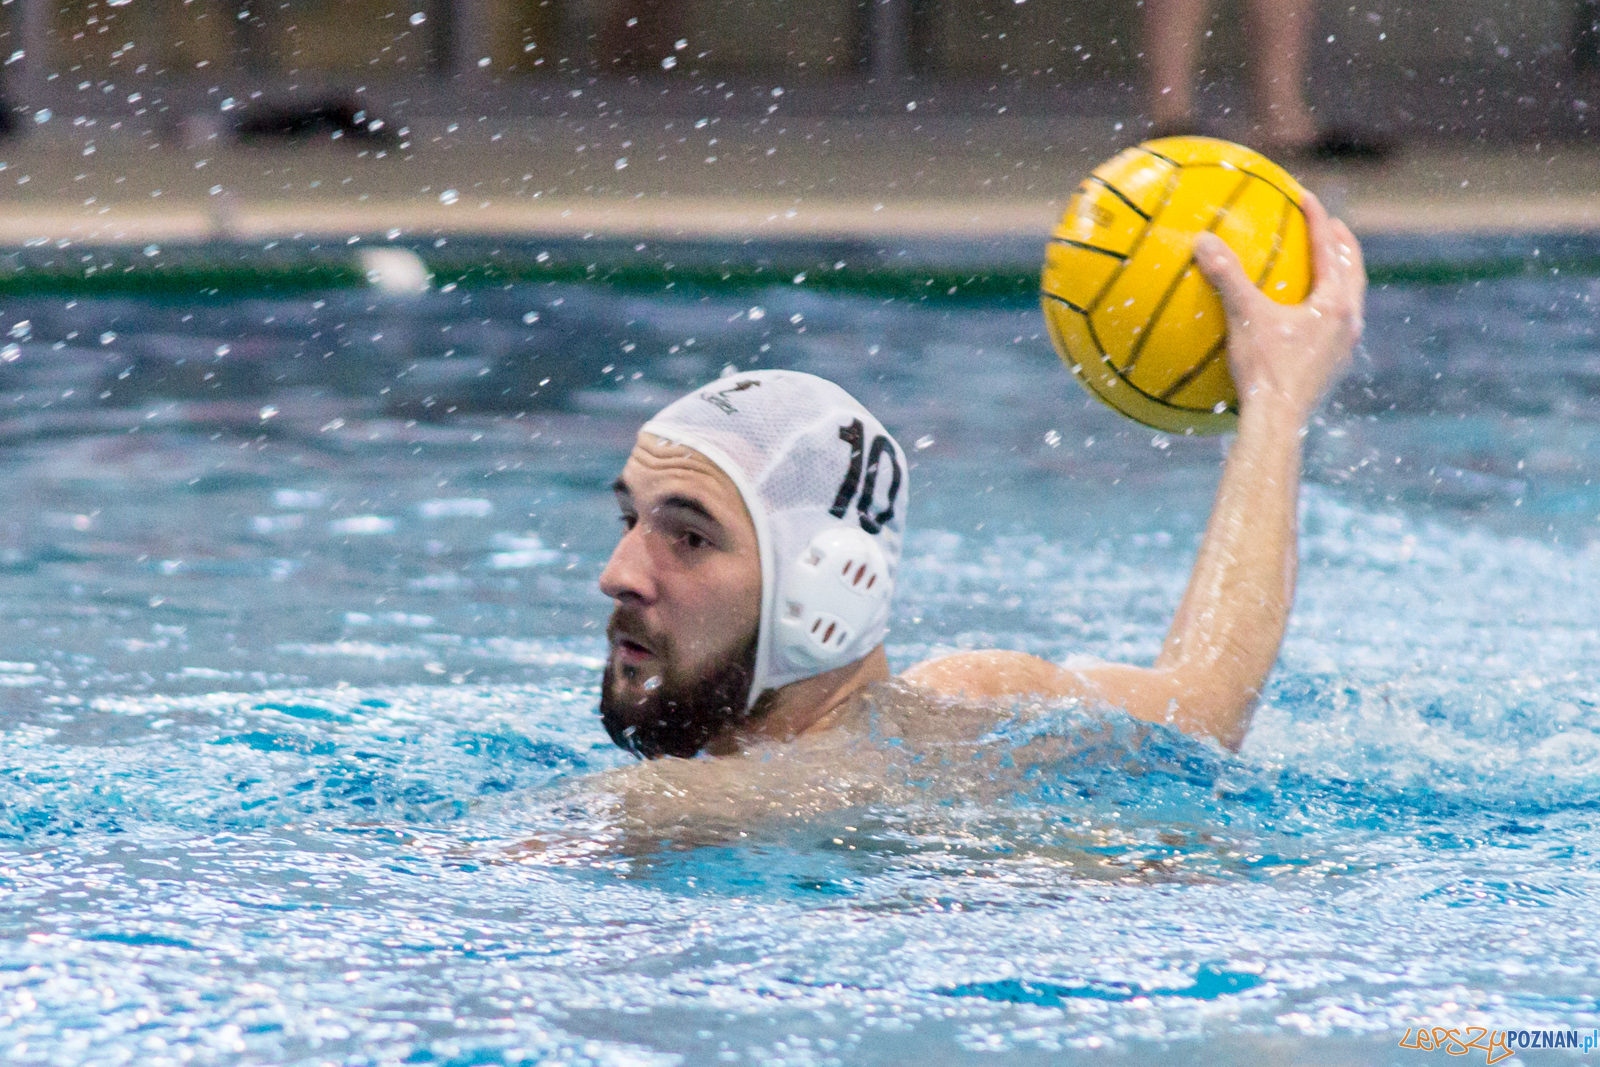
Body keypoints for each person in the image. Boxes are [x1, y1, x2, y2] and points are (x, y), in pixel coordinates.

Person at [596, 194, 1364, 781]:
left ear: (829, 591)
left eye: (689, 537)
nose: (618, 574)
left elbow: (1204, 714)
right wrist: (1275, 400)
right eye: (630, 519)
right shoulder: (978, 720)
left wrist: (1277, 391)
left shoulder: (716, 802)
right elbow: (1205, 705)